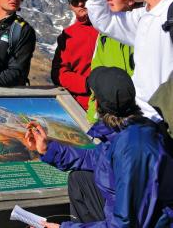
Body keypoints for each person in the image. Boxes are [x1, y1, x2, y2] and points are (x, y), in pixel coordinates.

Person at [26, 67, 173, 227]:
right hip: (119, 212)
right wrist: (48, 149)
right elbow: (93, 158)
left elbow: (124, 224)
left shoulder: (133, 149)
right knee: (80, 179)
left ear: (97, 103)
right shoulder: (127, 129)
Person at [72, 0, 173, 122]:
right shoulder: (143, 16)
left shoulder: (168, 14)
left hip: (167, 116)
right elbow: (105, 21)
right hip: (145, 115)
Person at [87, 0, 136, 123]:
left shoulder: (140, 29)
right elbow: (96, 69)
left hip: (132, 114)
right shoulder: (104, 35)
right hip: (102, 114)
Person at [51, 0, 98, 110]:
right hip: (85, 105)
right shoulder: (68, 35)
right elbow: (59, 73)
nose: (81, 4)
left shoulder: (112, 25)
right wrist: (86, 84)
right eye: (75, 2)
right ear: (70, 6)